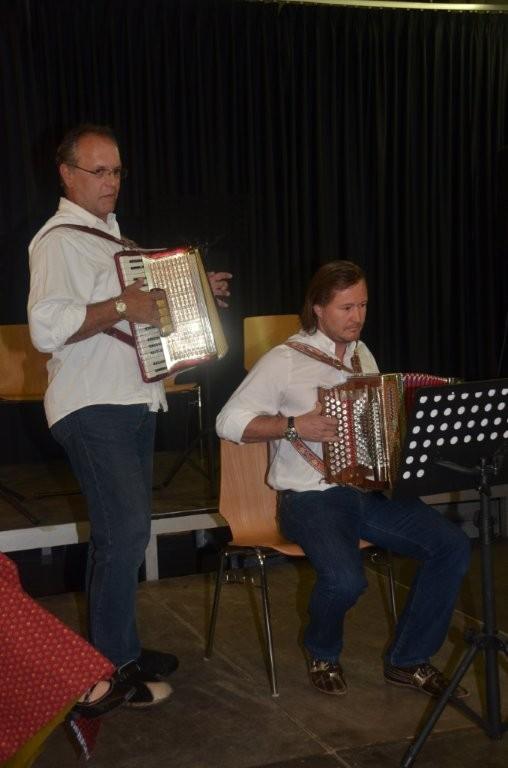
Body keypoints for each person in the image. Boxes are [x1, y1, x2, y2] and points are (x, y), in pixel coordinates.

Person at [27, 124, 231, 708]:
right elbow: (45, 327)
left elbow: (147, 306)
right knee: (123, 535)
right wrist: (121, 304)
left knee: (126, 534)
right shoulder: (59, 241)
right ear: (67, 174)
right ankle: (108, 671)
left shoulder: (111, 239)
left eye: (116, 171)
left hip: (131, 399)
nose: (111, 181)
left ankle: (121, 650)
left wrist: (194, 291)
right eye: (98, 171)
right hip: (93, 403)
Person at [216, 260, 471, 698]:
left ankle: (408, 659)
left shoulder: (362, 354)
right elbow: (227, 421)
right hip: (309, 498)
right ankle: (322, 651)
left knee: (451, 546)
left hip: (365, 491)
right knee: (345, 580)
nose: (357, 317)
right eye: (346, 307)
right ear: (318, 308)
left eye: (363, 305)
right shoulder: (285, 360)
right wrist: (294, 426)